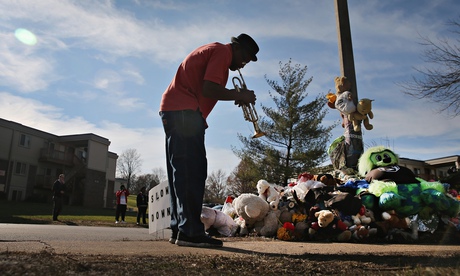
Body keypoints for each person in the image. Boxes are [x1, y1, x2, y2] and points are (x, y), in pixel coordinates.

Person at [159, 33, 259, 248]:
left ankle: (181, 229)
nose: (244, 64)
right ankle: (191, 231)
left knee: (181, 173)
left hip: (177, 111)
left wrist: (233, 95)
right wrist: (239, 95)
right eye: (246, 58)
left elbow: (209, 89)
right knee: (192, 172)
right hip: (185, 112)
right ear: (237, 48)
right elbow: (209, 88)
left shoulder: (214, 51)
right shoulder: (223, 52)